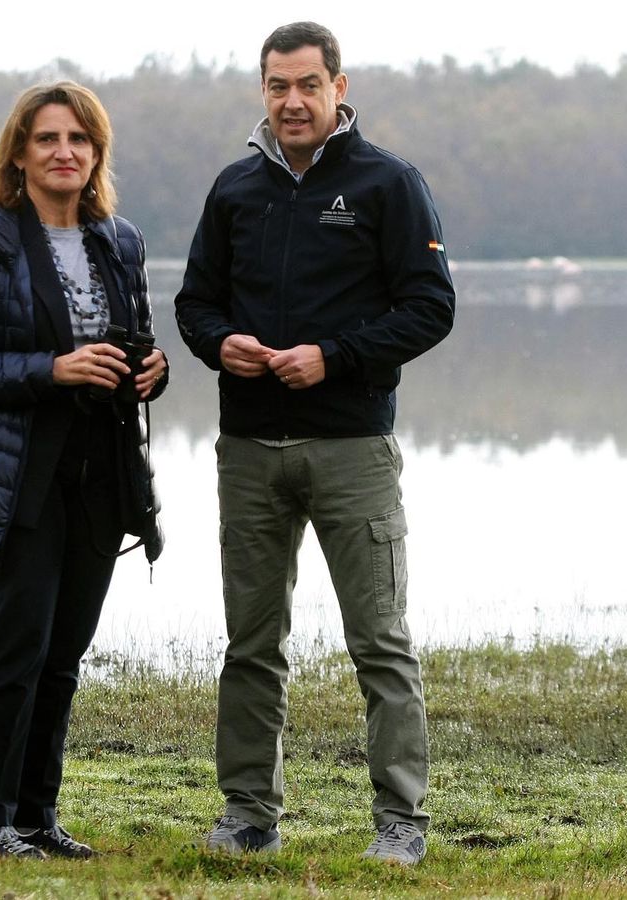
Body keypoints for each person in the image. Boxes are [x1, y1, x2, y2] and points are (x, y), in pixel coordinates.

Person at [174, 21, 455, 866]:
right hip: (248, 449)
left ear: (338, 87)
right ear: (262, 92)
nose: (291, 101)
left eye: (306, 84)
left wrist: (332, 358)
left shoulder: (387, 183)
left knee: (381, 642)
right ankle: (247, 814)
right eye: (276, 86)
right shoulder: (234, 189)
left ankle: (400, 824)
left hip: (351, 450)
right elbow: (195, 304)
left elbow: (430, 309)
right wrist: (218, 342)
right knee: (250, 645)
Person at [0, 80, 167, 860]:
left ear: (97, 154)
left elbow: (137, 343)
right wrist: (53, 369)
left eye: (80, 139)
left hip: (102, 476)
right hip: (18, 476)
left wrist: (151, 371)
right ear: (20, 154)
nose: (65, 152)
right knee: (14, 647)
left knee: (63, 655)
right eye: (47, 139)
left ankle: (34, 819)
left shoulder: (119, 240)